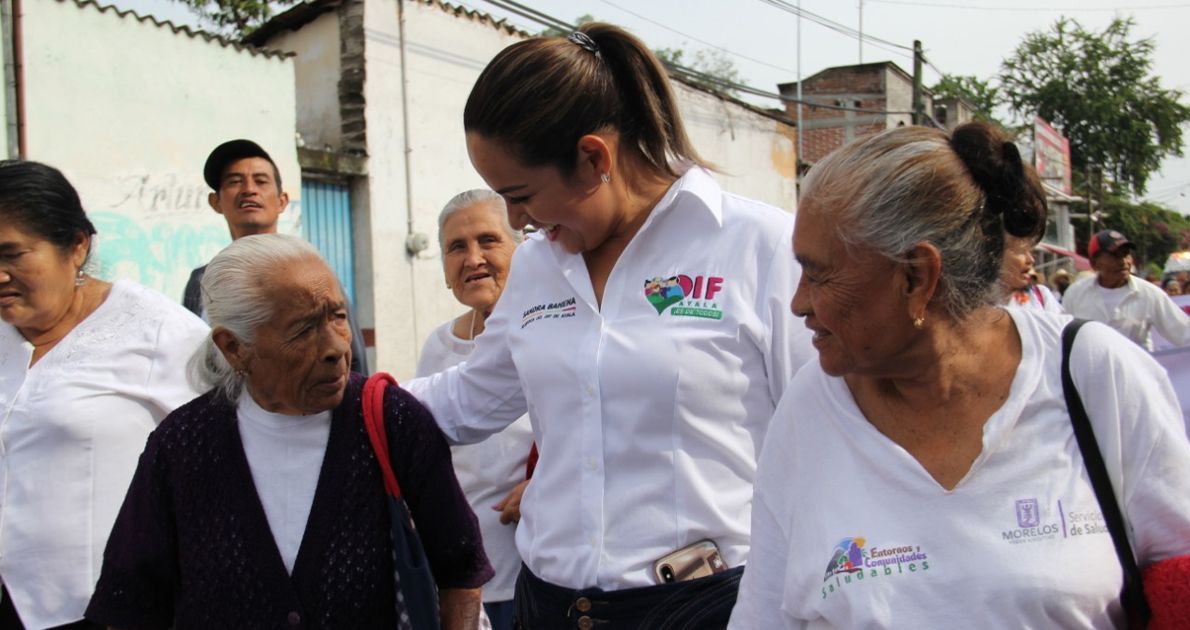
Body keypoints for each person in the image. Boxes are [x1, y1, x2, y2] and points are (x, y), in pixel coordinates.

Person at [405, 23, 812, 628]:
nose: (516, 220)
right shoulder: (540, 266)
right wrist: (350, 400)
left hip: (705, 607)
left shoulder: (758, 246)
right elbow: (469, 398)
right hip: (547, 607)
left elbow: (820, 437)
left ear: (594, 158)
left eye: (519, 194)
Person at [728, 122, 1190, 629]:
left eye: (818, 273)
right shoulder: (809, 410)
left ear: (916, 277)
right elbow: (765, 615)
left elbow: (1184, 588)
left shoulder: (1092, 373)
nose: (798, 302)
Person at [85, 234, 492, 629]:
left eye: (337, 317)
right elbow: (134, 602)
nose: (336, 348)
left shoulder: (392, 419)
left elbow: (461, 572)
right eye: (302, 329)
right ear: (233, 347)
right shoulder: (182, 445)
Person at [0, 160, 209, 629]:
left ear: (76, 246)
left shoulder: (159, 332)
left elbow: (227, 458)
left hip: (103, 610)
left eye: (12, 254)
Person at [416, 189, 535, 630]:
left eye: (488, 240)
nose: (473, 258)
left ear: (522, 250)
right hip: (460, 577)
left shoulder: (547, 332)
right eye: (456, 247)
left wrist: (547, 481)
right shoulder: (439, 346)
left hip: (532, 572)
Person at [182, 139, 369, 373]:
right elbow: (191, 364)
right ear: (215, 202)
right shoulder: (201, 282)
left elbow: (353, 362)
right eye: (234, 181)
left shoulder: (315, 275)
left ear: (282, 202)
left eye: (261, 181)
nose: (249, 189)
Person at [1062, 230, 1190, 351]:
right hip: (1089, 375)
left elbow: (1185, 334)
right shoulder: (1076, 294)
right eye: (1115, 256)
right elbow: (1060, 337)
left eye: (1126, 255)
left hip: (1135, 374)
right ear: (1095, 263)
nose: (1124, 262)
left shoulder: (1149, 294)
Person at [1002, 236, 1061, 313]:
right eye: (1021, 252)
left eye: (1031, 252)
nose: (1031, 260)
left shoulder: (1041, 295)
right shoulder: (982, 303)